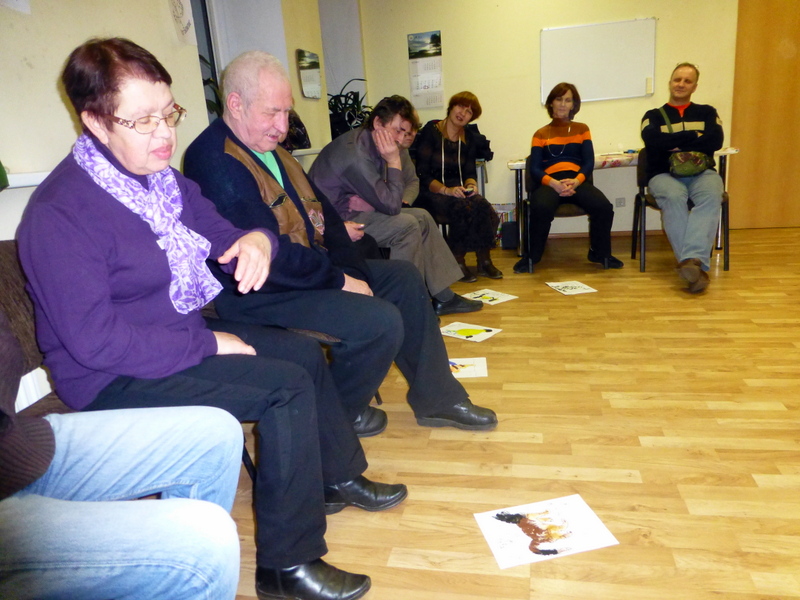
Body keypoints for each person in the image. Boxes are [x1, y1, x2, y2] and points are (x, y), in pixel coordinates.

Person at [17, 37, 404, 600]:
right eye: (143, 120)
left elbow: (219, 229)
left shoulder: (159, 180)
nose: (164, 134)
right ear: (96, 122)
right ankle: (287, 566)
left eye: (168, 112)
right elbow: (96, 343)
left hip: (173, 338)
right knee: (286, 388)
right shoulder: (59, 214)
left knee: (299, 354)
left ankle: (336, 475)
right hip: (110, 377)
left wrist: (254, 240)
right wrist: (208, 345)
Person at [183, 51, 497, 435]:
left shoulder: (271, 150)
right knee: (379, 322)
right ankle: (335, 415)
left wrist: (349, 271)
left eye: (287, 112)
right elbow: (270, 258)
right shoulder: (215, 160)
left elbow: (328, 218)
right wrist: (339, 280)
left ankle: (438, 399)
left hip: (304, 272)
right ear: (235, 104)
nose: (283, 127)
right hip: (256, 291)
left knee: (402, 278)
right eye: (272, 113)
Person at [0, 308, 242, 599]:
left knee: (217, 432)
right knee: (205, 545)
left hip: (16, 448)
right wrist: (205, 342)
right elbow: (96, 340)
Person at [308, 95, 483, 317]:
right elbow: (391, 205)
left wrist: (377, 197)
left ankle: (443, 297)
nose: (401, 139)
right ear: (378, 123)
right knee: (407, 225)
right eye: (398, 130)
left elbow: (388, 195)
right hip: (334, 223)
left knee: (422, 216)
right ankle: (405, 305)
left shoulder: (372, 141)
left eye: (406, 133)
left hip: (353, 211)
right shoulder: (357, 156)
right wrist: (393, 161)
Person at [514, 82, 622, 274]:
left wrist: (577, 181)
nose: (563, 104)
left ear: (573, 105)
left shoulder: (582, 129)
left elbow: (588, 162)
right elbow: (535, 168)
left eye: (568, 100)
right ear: (551, 103)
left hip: (577, 181)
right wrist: (554, 184)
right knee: (540, 208)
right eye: (559, 99)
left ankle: (599, 253)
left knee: (604, 207)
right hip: (550, 182)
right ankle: (532, 257)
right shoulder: (540, 134)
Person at [641, 62, 724, 293]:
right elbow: (652, 141)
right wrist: (693, 136)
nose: (681, 84)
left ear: (694, 86)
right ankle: (694, 265)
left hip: (702, 173)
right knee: (674, 197)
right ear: (670, 83)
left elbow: (715, 141)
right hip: (663, 174)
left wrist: (674, 143)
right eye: (677, 79)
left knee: (712, 194)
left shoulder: (707, 112)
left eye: (687, 81)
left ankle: (691, 263)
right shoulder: (653, 116)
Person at [414, 92, 502, 283]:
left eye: (469, 112)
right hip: (432, 190)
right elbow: (422, 173)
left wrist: (471, 185)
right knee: (463, 208)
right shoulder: (431, 132)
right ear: (451, 106)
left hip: (458, 190)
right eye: (461, 106)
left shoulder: (469, 137)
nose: (463, 113)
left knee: (484, 207)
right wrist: (446, 190)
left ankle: (484, 261)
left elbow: (470, 171)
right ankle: (457, 261)